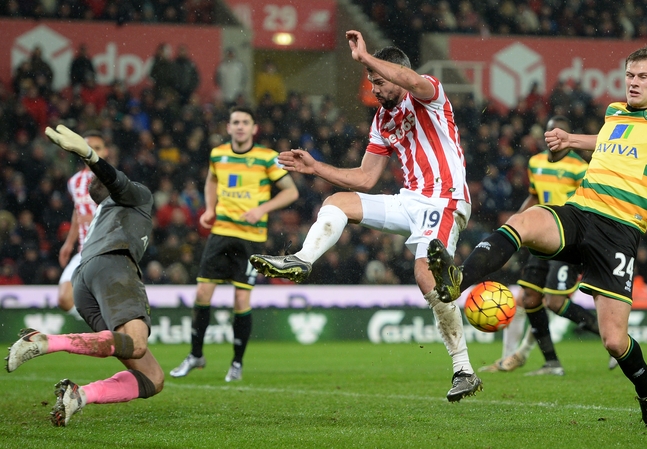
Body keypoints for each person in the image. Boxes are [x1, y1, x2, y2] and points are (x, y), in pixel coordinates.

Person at [428, 48, 647, 427]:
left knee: (614, 340)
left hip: (619, 233)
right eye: (630, 75)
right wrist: (570, 139)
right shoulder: (614, 112)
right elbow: (608, 141)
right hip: (581, 212)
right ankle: (458, 280)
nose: (634, 82)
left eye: (643, 76)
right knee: (526, 220)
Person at [249, 30, 480, 402]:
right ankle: (302, 260)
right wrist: (315, 168)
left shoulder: (431, 94)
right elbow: (366, 177)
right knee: (339, 201)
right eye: (371, 82)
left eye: (378, 81)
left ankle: (464, 370)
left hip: (445, 199)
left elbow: (409, 79)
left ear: (394, 72)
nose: (374, 88)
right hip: (411, 200)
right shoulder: (382, 121)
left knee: (424, 276)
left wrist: (366, 58)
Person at [6, 124, 163, 427]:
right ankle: (44, 340)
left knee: (152, 376)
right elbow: (116, 180)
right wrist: (91, 155)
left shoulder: (103, 212)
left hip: (83, 279)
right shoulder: (137, 197)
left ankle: (79, 396)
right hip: (112, 267)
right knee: (138, 342)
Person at [479, 116, 616, 375]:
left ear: (566, 134)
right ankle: (551, 362)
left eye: (557, 132)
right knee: (529, 298)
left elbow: (591, 205)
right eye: (548, 132)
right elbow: (534, 196)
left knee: (555, 302)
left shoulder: (580, 167)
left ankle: (612, 335)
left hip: (569, 241)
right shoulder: (536, 162)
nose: (552, 137)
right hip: (540, 239)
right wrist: (515, 226)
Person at [170, 106, 298, 382]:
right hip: (221, 233)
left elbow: (291, 192)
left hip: (251, 239)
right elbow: (210, 181)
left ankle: (237, 363)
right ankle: (195, 355)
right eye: (235, 122)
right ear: (228, 128)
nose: (240, 126)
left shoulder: (266, 157)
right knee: (202, 294)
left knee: (241, 299)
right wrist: (208, 208)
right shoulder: (219, 154)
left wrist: (263, 209)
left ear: (254, 129)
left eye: (245, 122)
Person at [57, 130, 109, 319]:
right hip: (83, 251)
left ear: (106, 152)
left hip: (107, 252)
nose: (92, 152)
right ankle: (100, 326)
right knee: (64, 299)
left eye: (97, 148)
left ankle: (109, 329)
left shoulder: (113, 180)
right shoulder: (74, 181)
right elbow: (77, 212)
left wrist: (96, 217)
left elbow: (123, 213)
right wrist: (69, 243)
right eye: (88, 148)